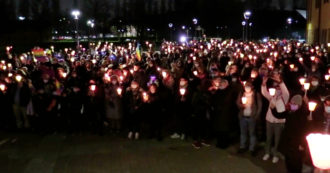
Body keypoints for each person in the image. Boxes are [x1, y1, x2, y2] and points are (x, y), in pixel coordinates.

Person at [271, 95, 308, 173]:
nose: (292, 104)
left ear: (299, 105)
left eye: (295, 104)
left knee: (296, 161)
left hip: (297, 142)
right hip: (288, 139)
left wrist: (302, 144)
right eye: (292, 103)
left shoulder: (302, 114)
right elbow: (279, 115)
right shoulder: (289, 111)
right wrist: (273, 109)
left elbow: (304, 131)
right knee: (288, 158)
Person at [261, 72, 290, 163]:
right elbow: (264, 92)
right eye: (276, 87)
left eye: (279, 87)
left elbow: (286, 92)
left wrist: (280, 82)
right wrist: (263, 84)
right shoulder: (272, 97)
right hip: (269, 120)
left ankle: (275, 154)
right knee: (268, 138)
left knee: (277, 139)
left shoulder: (284, 97)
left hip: (279, 122)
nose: (277, 89)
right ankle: (267, 152)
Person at [236, 81, 262, 156]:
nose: (247, 87)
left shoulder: (256, 94)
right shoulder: (241, 94)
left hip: (252, 117)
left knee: (252, 133)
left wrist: (256, 115)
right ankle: (242, 146)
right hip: (243, 117)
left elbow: (260, 106)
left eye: (249, 86)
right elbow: (237, 103)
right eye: (246, 86)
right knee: (243, 133)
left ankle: (252, 148)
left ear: (252, 87)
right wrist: (242, 106)